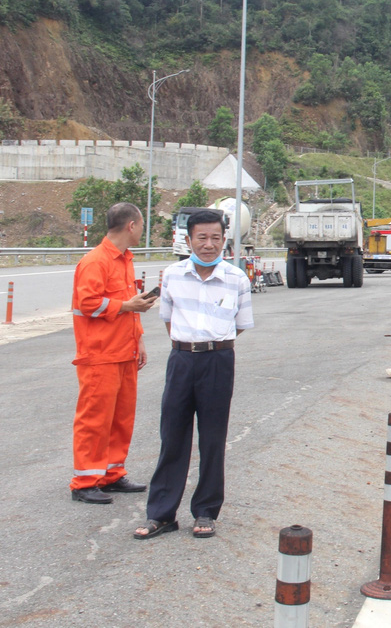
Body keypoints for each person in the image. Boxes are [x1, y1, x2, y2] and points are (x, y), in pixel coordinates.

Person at [134, 209, 253, 540]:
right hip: (182, 360)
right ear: (188, 240)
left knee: (213, 438)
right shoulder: (172, 275)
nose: (209, 244)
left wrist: (212, 345)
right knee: (172, 435)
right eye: (202, 237)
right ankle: (161, 514)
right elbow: (168, 320)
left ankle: (205, 511)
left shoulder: (236, 279)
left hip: (219, 361)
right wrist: (190, 345)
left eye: (216, 238)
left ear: (224, 240)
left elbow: (240, 325)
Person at [70, 202, 157, 504]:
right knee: (94, 419)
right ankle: (84, 482)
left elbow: (127, 304)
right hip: (100, 354)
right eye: (142, 225)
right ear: (131, 226)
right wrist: (127, 306)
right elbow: (89, 303)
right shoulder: (96, 261)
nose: (142, 230)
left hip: (124, 351)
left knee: (121, 418)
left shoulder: (124, 260)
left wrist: (140, 340)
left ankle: (111, 473)